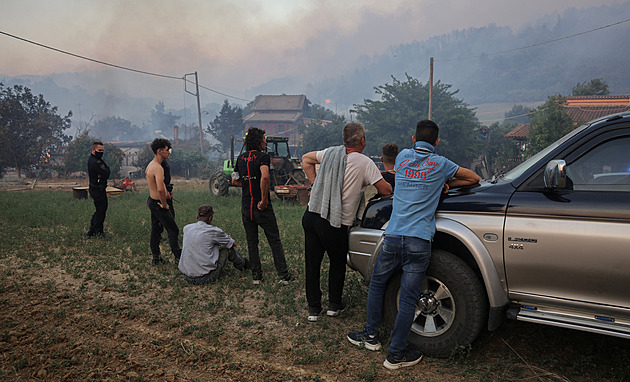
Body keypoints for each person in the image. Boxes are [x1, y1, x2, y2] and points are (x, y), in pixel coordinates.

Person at [346, 120, 481, 370]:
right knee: (408, 298)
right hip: (419, 240)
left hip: (393, 237)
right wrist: (445, 184)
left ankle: (370, 336)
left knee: (377, 283)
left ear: (412, 139)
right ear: (437, 142)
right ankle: (395, 355)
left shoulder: (403, 157)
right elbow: (474, 178)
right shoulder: (441, 165)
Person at [301, 122, 392, 322]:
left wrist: (316, 184)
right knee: (337, 261)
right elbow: (385, 190)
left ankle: (313, 309)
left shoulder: (331, 153)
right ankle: (334, 305)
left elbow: (306, 159)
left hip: (313, 213)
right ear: (362, 141)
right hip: (335, 221)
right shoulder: (365, 162)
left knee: (312, 263)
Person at [231, 127, 292, 285]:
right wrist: (264, 200)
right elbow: (265, 177)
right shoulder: (263, 157)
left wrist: (247, 183)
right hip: (261, 207)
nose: (265, 142)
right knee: (274, 240)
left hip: (246, 207)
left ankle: (257, 276)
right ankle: (283, 275)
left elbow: (234, 181)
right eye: (264, 139)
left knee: (252, 242)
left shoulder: (241, 158)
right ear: (258, 141)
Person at [178, 205, 250, 284]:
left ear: (197, 216)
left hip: (187, 276)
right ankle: (244, 265)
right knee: (227, 248)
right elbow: (233, 244)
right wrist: (228, 238)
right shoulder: (214, 231)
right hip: (205, 278)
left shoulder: (187, 228)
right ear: (210, 218)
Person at [146, 138, 182, 265]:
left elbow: (160, 188)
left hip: (152, 201)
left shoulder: (151, 165)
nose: (169, 152)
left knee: (156, 229)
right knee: (173, 230)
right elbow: (160, 189)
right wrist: (165, 205)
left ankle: (156, 258)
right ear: (159, 151)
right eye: (167, 150)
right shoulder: (157, 168)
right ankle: (178, 257)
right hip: (159, 203)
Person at [86, 141, 110, 238]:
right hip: (97, 189)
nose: (101, 152)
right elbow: (106, 173)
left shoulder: (98, 160)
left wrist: (105, 171)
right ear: (93, 150)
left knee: (100, 210)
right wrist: (105, 172)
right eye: (99, 150)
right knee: (101, 210)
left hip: (98, 188)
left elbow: (107, 171)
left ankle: (92, 231)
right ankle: (98, 232)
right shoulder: (95, 161)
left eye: (102, 150)